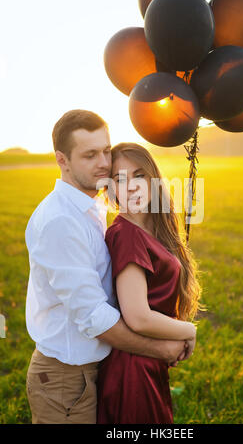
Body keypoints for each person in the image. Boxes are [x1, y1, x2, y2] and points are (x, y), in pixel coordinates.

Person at [25, 110, 192, 425]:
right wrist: (167, 345)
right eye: (90, 155)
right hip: (66, 378)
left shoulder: (93, 208)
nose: (103, 162)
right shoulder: (61, 220)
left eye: (105, 150)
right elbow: (96, 318)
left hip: (96, 369)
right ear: (62, 160)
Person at [96, 142, 203, 424]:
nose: (130, 186)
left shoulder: (150, 229)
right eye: (119, 179)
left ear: (153, 178)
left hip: (146, 361)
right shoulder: (127, 235)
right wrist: (188, 331)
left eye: (139, 175)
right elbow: (138, 317)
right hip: (132, 369)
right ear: (110, 188)